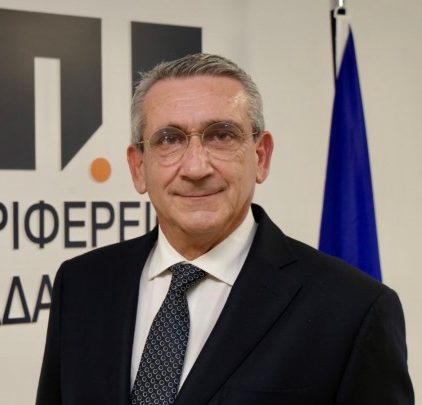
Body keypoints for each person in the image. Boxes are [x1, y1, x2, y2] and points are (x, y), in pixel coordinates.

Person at [36, 53, 414, 405]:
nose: (196, 167)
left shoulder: (353, 309)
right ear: (138, 167)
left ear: (260, 157)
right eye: (170, 139)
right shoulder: (81, 284)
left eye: (221, 136)